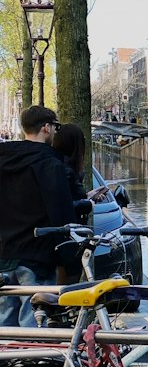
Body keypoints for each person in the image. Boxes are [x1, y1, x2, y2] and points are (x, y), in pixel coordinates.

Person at [0, 105, 78, 327]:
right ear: (46, 127)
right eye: (55, 127)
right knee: (34, 323)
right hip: (37, 256)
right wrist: (70, 261)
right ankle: (36, 363)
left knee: (5, 323)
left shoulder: (4, 160)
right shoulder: (50, 165)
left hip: (4, 254)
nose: (55, 132)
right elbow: (60, 215)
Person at [51, 123, 94, 282]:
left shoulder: (58, 166)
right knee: (66, 288)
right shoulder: (67, 171)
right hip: (69, 238)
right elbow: (65, 205)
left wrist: (88, 196)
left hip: (62, 239)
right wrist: (89, 204)